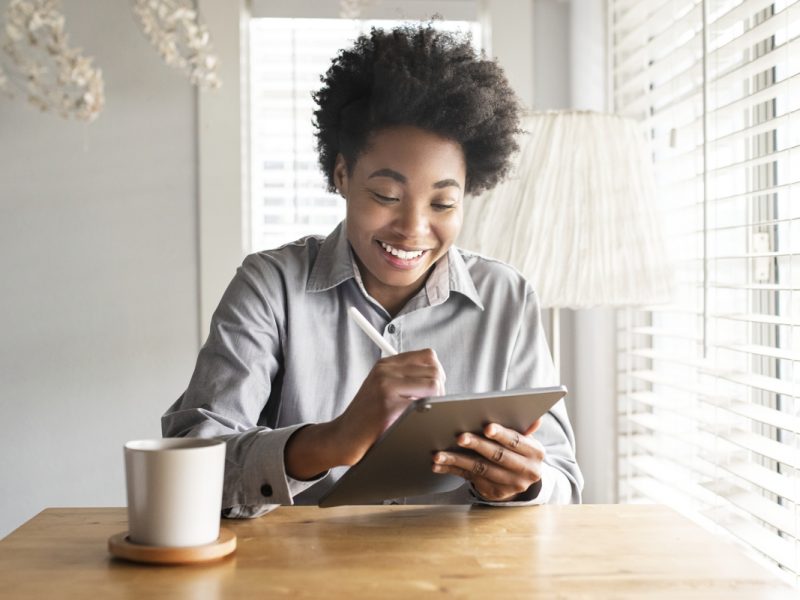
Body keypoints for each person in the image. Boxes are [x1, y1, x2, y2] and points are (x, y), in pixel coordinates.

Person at [162, 24, 583, 517]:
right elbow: (188, 468)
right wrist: (332, 440)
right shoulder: (270, 288)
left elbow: (564, 483)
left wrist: (524, 485)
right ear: (342, 175)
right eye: (386, 195)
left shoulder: (507, 298)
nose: (413, 229)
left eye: (443, 203)